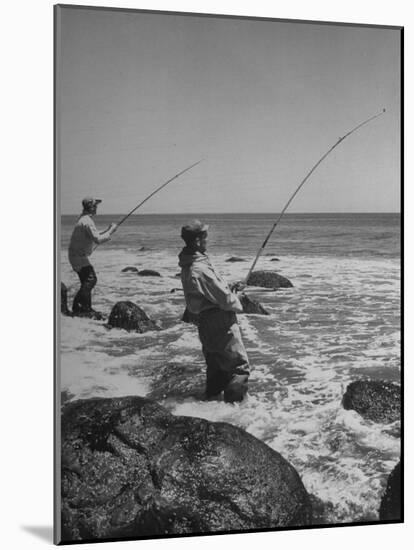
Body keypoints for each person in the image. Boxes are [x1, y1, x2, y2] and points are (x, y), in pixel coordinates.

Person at [178, 220, 250, 402]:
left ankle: (212, 405)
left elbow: (207, 292)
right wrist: (236, 299)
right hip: (219, 320)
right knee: (238, 367)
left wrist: (230, 286)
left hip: (205, 321)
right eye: (205, 237)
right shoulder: (200, 268)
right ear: (196, 241)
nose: (207, 240)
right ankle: (236, 412)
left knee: (216, 366)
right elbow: (225, 300)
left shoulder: (189, 264)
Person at [68, 197, 117, 318]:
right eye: (95, 206)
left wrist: (107, 230)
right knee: (91, 279)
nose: (96, 208)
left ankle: (86, 308)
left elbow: (93, 234)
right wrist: (111, 230)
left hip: (76, 256)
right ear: (91, 207)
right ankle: (78, 307)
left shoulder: (84, 219)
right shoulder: (87, 221)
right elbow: (98, 240)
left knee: (86, 281)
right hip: (78, 257)